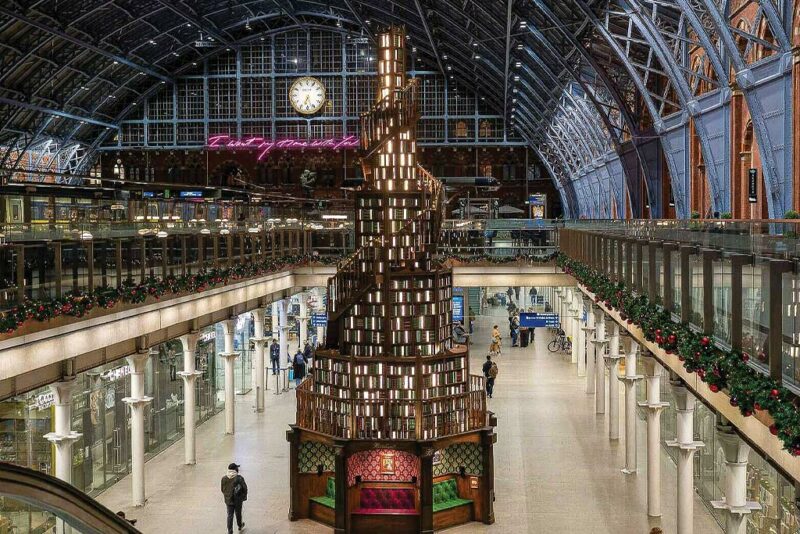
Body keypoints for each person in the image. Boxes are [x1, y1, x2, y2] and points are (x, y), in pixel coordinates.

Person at [221, 462, 247, 533]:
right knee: (238, 513)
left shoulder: (224, 478)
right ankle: (240, 525)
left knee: (230, 515)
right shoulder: (239, 478)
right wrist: (244, 497)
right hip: (238, 500)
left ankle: (230, 531)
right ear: (235, 469)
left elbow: (222, 489)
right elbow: (245, 488)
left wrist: (227, 496)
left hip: (228, 500)